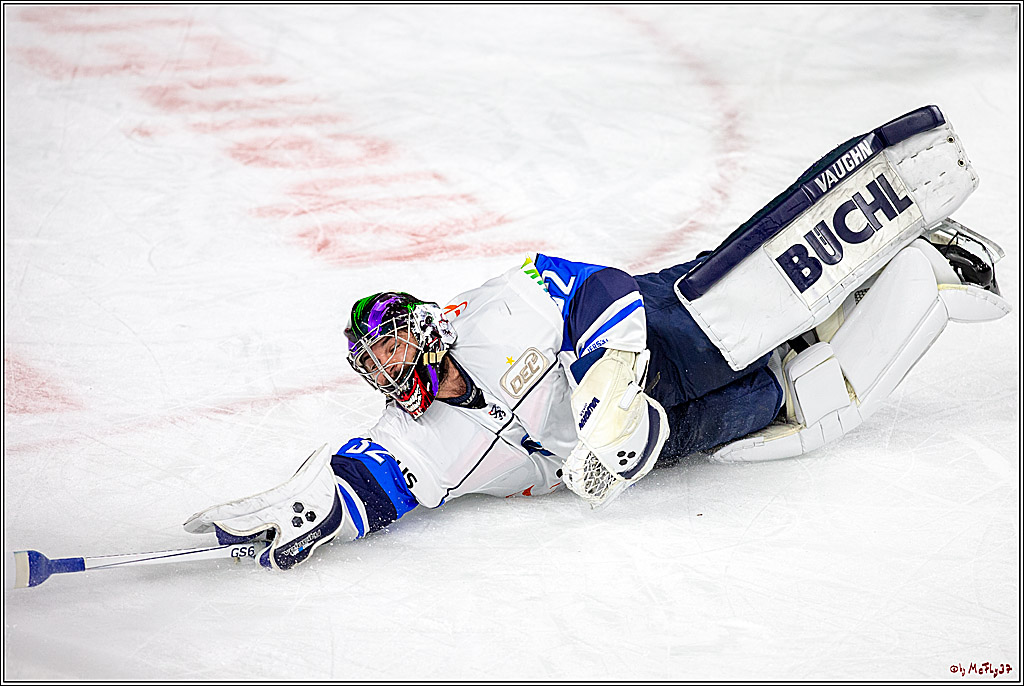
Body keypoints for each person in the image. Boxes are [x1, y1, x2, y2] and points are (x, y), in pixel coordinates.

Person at [184, 105, 1011, 570]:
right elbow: (380, 482)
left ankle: (902, 224)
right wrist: (321, 505)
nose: (391, 369)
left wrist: (607, 391)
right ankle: (923, 280)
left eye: (395, 345)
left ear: (425, 327)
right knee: (798, 395)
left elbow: (601, 287)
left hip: (659, 337)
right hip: (655, 441)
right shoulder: (420, 436)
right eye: (377, 363)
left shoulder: (492, 311)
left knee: (755, 308)